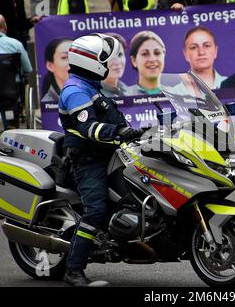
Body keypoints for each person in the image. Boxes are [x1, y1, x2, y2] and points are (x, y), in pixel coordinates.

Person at [59, 33, 144, 287]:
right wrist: (117, 132)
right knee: (95, 209)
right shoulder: (75, 91)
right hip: (88, 160)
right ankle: (73, 269)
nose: (109, 64)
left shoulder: (90, 86)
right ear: (91, 62)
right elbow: (90, 129)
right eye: (104, 59)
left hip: (111, 154)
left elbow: (111, 120)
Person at [172, 26, 226, 96]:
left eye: (207, 46)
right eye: (194, 47)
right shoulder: (174, 93)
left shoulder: (231, 85)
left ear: (215, 51)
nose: (201, 52)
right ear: (185, 54)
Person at [128, 31, 170, 96]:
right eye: (145, 54)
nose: (152, 59)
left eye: (157, 53)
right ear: (134, 61)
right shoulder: (123, 96)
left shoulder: (176, 96)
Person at [41, 37, 73, 102]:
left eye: (75, 55)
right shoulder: (48, 102)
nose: (73, 62)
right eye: (64, 57)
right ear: (50, 66)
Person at [100, 33, 129, 97]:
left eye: (120, 55)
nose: (117, 62)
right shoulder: (91, 95)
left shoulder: (129, 91)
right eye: (110, 57)